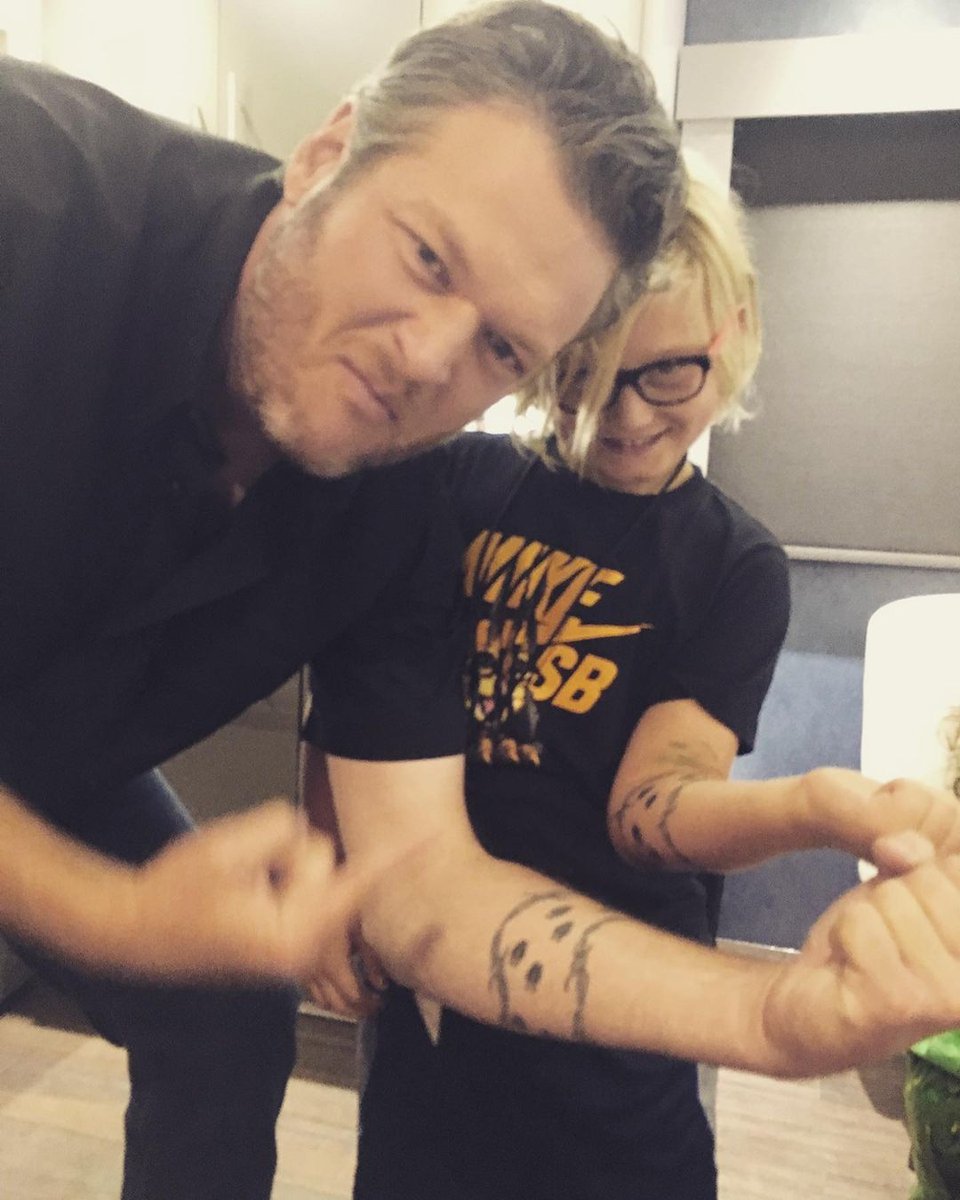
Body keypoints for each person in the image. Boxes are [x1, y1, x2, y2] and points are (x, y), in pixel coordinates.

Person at [0, 4, 685, 1197]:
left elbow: (427, 875)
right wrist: (106, 911)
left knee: (226, 1011)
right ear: (328, 152)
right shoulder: (30, 200)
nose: (427, 360)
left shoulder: (408, 500)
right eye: (428, 259)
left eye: (501, 351)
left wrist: (782, 1012)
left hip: (46, 749)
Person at [302, 171, 960, 1199]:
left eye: (668, 374)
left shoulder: (734, 565)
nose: (624, 416)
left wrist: (819, 806)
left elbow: (648, 810)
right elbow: (351, 709)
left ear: (734, 331)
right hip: (432, 1009)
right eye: (585, 374)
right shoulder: (457, 485)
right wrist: (324, 868)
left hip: (625, 1027)